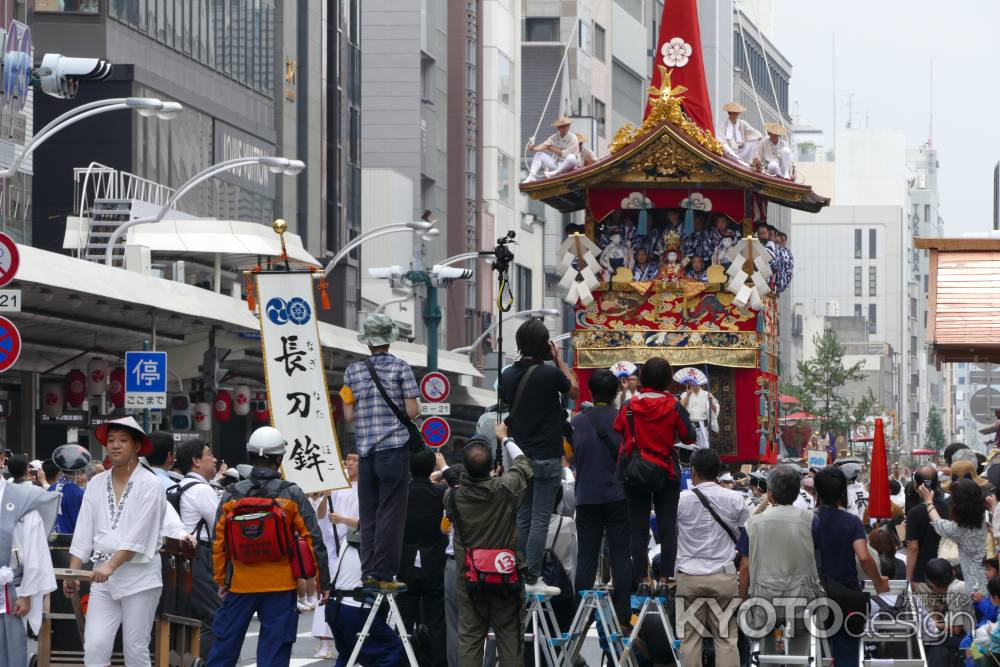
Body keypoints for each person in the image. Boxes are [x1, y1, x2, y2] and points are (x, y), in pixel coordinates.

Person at [207, 426, 331, 667]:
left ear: (250, 455)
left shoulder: (232, 494)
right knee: (274, 653)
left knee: (224, 648)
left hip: (240, 585)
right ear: (280, 458)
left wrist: (222, 580)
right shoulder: (291, 493)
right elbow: (314, 540)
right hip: (281, 586)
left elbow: (218, 542)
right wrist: (322, 582)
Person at [65, 417, 169, 667]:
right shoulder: (96, 483)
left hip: (140, 576)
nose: (115, 445)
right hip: (102, 577)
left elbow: (140, 534)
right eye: (111, 440)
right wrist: (73, 570)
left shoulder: (151, 484)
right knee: (94, 646)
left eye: (123, 440)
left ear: (137, 446)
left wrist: (110, 566)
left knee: (135, 648)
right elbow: (83, 531)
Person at [341, 313, 420, 591]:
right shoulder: (401, 368)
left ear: (369, 342)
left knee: (370, 512)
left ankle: (368, 572)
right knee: (391, 512)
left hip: (366, 453)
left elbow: (349, 414)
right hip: (394, 450)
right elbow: (413, 411)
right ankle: (385, 573)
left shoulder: (353, 371)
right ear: (389, 339)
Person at [499, 318, 579, 595]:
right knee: (540, 518)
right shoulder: (550, 374)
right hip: (547, 456)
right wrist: (559, 360)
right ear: (545, 345)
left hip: (519, 457)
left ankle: (518, 572)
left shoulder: (507, 375)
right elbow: (575, 390)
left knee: (522, 516)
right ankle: (532, 576)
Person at [447, 423, 532, 667]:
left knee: (470, 640)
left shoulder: (453, 497)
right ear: (490, 468)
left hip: (470, 579)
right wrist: (505, 439)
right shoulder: (505, 489)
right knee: (510, 639)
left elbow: (456, 487)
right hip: (507, 578)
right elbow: (524, 464)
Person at [615, 356, 696, 590]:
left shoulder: (629, 405)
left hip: (635, 471)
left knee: (638, 529)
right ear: (668, 380)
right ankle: (665, 578)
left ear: (643, 379)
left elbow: (619, 429)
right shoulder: (673, 405)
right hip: (666, 471)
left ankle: (641, 578)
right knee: (668, 528)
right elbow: (689, 436)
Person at [570, 370, 633, 625]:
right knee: (620, 554)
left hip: (586, 497)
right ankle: (623, 612)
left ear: (591, 392)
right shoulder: (624, 419)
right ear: (617, 391)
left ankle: (581, 614)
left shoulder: (578, 421)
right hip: (618, 496)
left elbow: (570, 453)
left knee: (587, 555)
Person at [674, 448, 747, 665]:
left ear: (693, 471)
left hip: (689, 577)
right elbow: (745, 537)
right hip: (723, 576)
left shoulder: (681, 500)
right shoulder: (735, 498)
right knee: (725, 640)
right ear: (717, 471)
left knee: (690, 640)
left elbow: (665, 533)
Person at [812, 466, 889, 667]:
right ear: (842, 493)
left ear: (817, 493)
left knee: (816, 651)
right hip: (847, 595)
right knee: (847, 650)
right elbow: (864, 557)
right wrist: (879, 582)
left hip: (815, 594)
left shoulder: (809, 519)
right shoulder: (851, 521)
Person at [743, 465, 823, 656]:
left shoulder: (753, 523)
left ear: (769, 494)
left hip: (765, 597)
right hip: (801, 595)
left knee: (770, 649)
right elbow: (818, 557)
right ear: (797, 494)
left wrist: (743, 601)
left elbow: (745, 566)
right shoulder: (810, 520)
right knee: (799, 646)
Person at [0, 448, 59, 666]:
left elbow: (35, 550)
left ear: (1, 460)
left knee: (10, 651)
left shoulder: (23, 499)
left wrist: (27, 594)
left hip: (11, 590)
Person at [397, 447, 448, 667]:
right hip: (433, 563)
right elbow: (459, 483)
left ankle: (403, 662)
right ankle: (436, 663)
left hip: (405, 564)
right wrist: (443, 468)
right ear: (431, 468)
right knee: (436, 622)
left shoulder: (400, 494)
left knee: (403, 621)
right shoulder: (440, 494)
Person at [172, 438, 223, 657]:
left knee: (188, 617)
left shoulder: (179, 486)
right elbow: (220, 526)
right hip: (200, 557)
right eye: (209, 454)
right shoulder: (201, 489)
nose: (214, 459)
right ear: (195, 461)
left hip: (180, 558)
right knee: (214, 617)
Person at [326, 528, 404, 667]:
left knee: (348, 654)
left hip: (334, 606)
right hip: (356, 608)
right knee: (393, 648)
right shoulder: (379, 542)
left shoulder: (349, 537)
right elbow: (386, 585)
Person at [919, 477, 991, 596]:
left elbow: (938, 522)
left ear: (957, 506)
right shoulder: (989, 517)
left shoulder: (958, 530)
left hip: (975, 586)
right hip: (992, 579)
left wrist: (928, 501)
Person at [906, 465, 950, 582]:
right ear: (937, 483)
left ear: (916, 484)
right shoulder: (950, 507)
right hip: (949, 572)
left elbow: (913, 548)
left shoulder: (915, 512)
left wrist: (909, 578)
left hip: (923, 574)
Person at [49, 444, 89, 535]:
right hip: (68, 540)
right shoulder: (77, 492)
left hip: (49, 537)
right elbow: (80, 522)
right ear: (77, 471)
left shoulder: (51, 487)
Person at [525, 116, 580, 182]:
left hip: (570, 166)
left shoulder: (573, 138)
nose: (563, 128)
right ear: (557, 127)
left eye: (566, 125)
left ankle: (554, 173)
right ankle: (531, 176)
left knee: (571, 157)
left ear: (569, 126)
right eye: (561, 126)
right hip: (558, 165)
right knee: (539, 155)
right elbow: (544, 145)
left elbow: (565, 154)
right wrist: (533, 148)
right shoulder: (554, 137)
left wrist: (552, 148)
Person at [679, 379, 718, 448]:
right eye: (692, 382)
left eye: (696, 381)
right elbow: (681, 408)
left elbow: (715, 410)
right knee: (689, 450)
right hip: (689, 426)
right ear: (689, 383)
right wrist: (688, 395)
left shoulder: (706, 394)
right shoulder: (684, 394)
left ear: (701, 383)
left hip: (702, 426)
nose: (694, 383)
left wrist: (711, 401)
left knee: (704, 450)